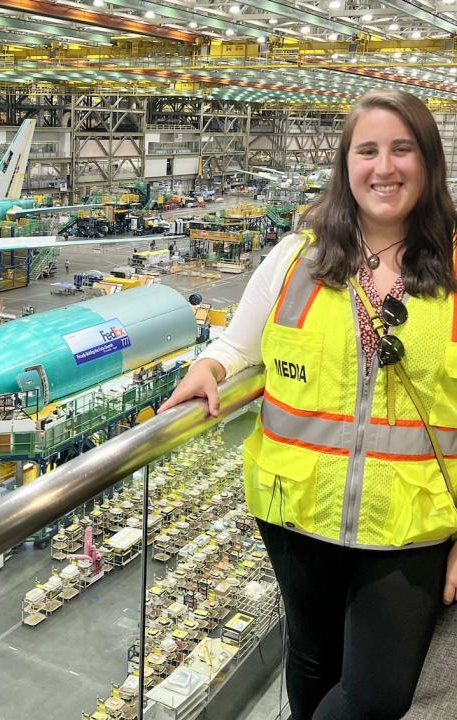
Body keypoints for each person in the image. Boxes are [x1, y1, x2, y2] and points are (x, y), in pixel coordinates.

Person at [159, 89, 457, 720]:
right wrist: (207, 367)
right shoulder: (297, 259)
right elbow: (238, 345)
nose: (384, 167)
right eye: (367, 150)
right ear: (346, 166)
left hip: (411, 527)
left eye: (402, 149)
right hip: (295, 511)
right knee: (313, 662)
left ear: (428, 163)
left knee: (376, 696)